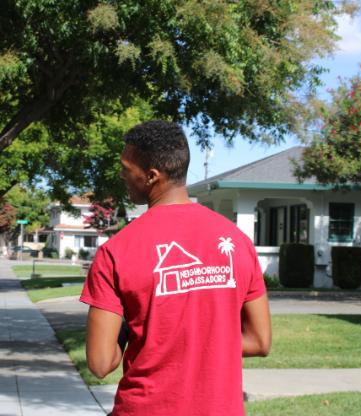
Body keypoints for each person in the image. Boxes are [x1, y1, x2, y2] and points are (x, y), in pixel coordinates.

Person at [80, 120, 272, 416]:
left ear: (151, 176)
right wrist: (203, 345)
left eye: (126, 167)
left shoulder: (115, 252)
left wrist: (145, 339)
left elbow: (101, 362)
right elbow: (260, 341)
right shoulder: (237, 242)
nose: (121, 174)